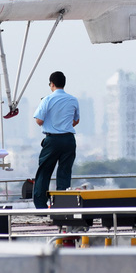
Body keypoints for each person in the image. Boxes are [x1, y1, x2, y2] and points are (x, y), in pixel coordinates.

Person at [32, 71, 80, 209]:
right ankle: (63, 205)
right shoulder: (73, 99)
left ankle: (41, 205)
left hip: (52, 140)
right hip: (69, 139)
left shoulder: (47, 99)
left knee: (44, 172)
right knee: (65, 172)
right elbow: (76, 121)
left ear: (51, 84)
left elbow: (39, 121)